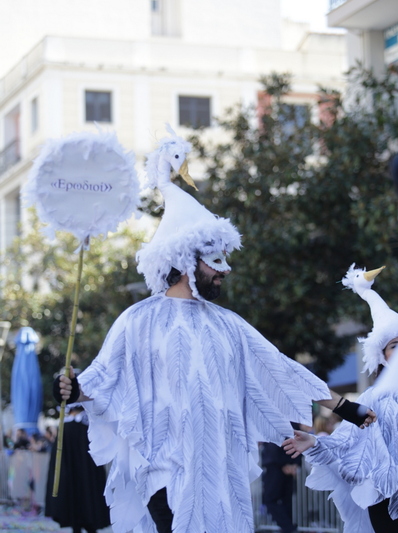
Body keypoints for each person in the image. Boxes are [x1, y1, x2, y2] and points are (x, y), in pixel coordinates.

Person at [55, 131, 375, 533]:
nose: (225, 270)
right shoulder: (137, 320)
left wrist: (347, 409)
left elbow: (279, 368)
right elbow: (103, 380)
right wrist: (71, 389)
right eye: (215, 260)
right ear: (185, 260)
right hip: (164, 472)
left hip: (223, 476)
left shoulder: (229, 324)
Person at [283, 263, 398, 533]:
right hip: (385, 500)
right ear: (382, 356)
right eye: (394, 345)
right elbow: (345, 442)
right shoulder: (373, 397)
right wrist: (314, 442)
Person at [45, 402, 110, 533]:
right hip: (88, 478)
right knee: (89, 503)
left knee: (74, 511)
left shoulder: (64, 429)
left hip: (70, 478)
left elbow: (57, 460)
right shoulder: (89, 427)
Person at [261, 424, 301, 533]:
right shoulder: (293, 423)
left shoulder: (275, 423)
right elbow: (299, 443)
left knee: (270, 499)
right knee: (286, 500)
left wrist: (285, 464)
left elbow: (273, 447)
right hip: (287, 466)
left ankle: (289, 528)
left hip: (276, 467)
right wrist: (294, 464)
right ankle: (289, 527)